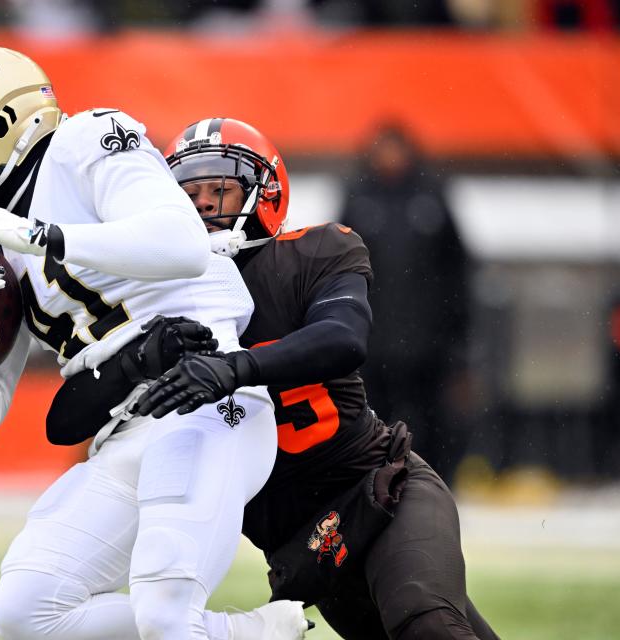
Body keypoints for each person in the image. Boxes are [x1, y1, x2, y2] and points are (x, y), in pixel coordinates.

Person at [0, 47, 307, 639]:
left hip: (205, 402)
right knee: (27, 611)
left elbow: (182, 244)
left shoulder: (87, 140)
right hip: (123, 431)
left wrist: (43, 237)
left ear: (0, 128)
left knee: (166, 616)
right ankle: (253, 635)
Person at [47, 118, 500, 639]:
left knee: (428, 624)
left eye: (217, 190)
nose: (200, 208)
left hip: (378, 487)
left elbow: (343, 338)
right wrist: (131, 363)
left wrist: (234, 369)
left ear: (264, 192)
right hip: (302, 548)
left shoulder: (311, 254)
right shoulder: (154, 298)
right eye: (186, 196)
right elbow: (65, 422)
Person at [340, 122, 471, 485]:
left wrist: (457, 336)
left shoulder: (431, 197)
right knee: (372, 414)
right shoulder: (359, 197)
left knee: (431, 417)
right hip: (373, 338)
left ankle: (432, 482)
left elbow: (456, 271)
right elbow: (339, 262)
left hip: (428, 340)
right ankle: (375, 480)